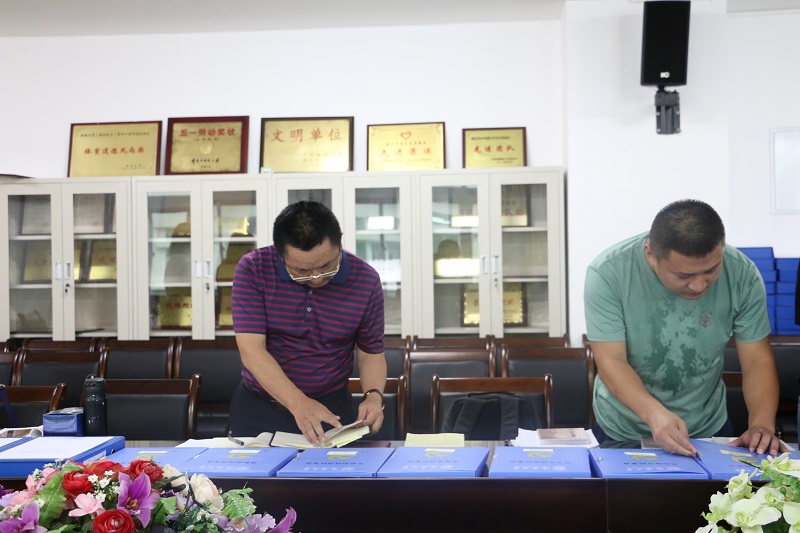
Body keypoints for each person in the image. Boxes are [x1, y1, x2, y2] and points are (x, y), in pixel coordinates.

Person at [584, 199, 785, 457]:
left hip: (707, 426)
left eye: (711, 270)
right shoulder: (608, 273)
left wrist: (761, 424)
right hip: (623, 429)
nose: (699, 285)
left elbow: (757, 360)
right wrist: (654, 413)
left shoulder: (742, 274)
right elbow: (611, 361)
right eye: (684, 276)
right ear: (650, 254)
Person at [229, 201, 386, 445]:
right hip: (260, 408)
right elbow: (252, 350)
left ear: (340, 242)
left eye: (326, 266)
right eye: (301, 271)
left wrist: (374, 396)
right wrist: (299, 404)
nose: (316, 278)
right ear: (280, 254)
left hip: (331, 410)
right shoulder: (253, 269)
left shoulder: (365, 279)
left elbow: (371, 352)